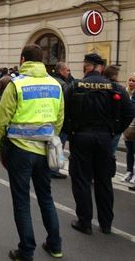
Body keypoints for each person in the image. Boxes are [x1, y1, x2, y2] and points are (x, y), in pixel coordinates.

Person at [0, 44, 64, 261]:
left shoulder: (16, 85)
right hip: (45, 148)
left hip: (20, 150)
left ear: (23, 59)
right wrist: (49, 138)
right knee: (46, 197)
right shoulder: (55, 85)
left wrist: (0, 151)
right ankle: (55, 245)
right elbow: (59, 119)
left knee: (22, 201)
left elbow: (1, 123)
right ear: (42, 60)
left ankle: (26, 250)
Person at [65, 53, 134, 235]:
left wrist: (71, 132)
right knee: (104, 182)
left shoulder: (75, 86)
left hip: (81, 137)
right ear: (100, 68)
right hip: (104, 138)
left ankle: (85, 222)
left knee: (82, 181)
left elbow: (63, 113)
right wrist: (114, 130)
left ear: (87, 66)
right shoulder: (114, 88)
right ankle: (106, 224)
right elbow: (129, 112)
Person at [50, 61, 72, 179]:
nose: (68, 72)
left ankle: (49, 167)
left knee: (49, 144)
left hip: (48, 117)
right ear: (61, 71)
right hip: (60, 119)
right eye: (67, 70)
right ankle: (54, 169)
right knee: (58, 145)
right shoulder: (63, 84)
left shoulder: (51, 81)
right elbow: (66, 104)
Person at [123, 73, 135, 185]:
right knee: (129, 151)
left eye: (134, 81)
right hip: (127, 127)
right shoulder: (126, 93)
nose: (131, 82)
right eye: (130, 80)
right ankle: (129, 171)